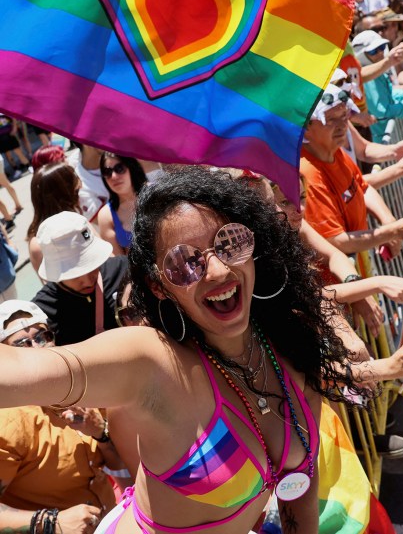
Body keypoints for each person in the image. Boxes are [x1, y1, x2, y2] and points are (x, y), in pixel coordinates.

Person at [0, 168, 357, 533]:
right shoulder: (151, 361)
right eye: (184, 263)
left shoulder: (289, 343)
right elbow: (19, 371)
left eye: (229, 242)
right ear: (158, 287)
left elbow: (297, 488)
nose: (217, 271)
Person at [0, 301, 128, 532]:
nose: (37, 348)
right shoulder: (9, 423)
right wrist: (49, 522)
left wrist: (102, 434)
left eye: (42, 336)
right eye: (21, 344)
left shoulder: (82, 386)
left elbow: (120, 465)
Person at [300, 84, 403, 260]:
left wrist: (388, 221)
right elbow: (334, 241)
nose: (342, 126)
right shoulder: (307, 174)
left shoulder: (334, 150)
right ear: (307, 127)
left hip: (359, 257)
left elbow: (361, 188)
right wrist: (391, 232)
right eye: (331, 119)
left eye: (344, 116)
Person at [32, 212, 128, 345]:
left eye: (92, 265)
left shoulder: (124, 270)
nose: (88, 281)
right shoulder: (42, 313)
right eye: (74, 274)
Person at [27, 163, 83, 276]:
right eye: (76, 192)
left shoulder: (80, 223)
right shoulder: (38, 245)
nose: (80, 197)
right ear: (63, 196)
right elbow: (51, 287)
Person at [96, 153, 147, 255]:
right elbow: (120, 262)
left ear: (131, 167)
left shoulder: (155, 193)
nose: (114, 176)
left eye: (119, 168)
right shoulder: (106, 216)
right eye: (107, 172)